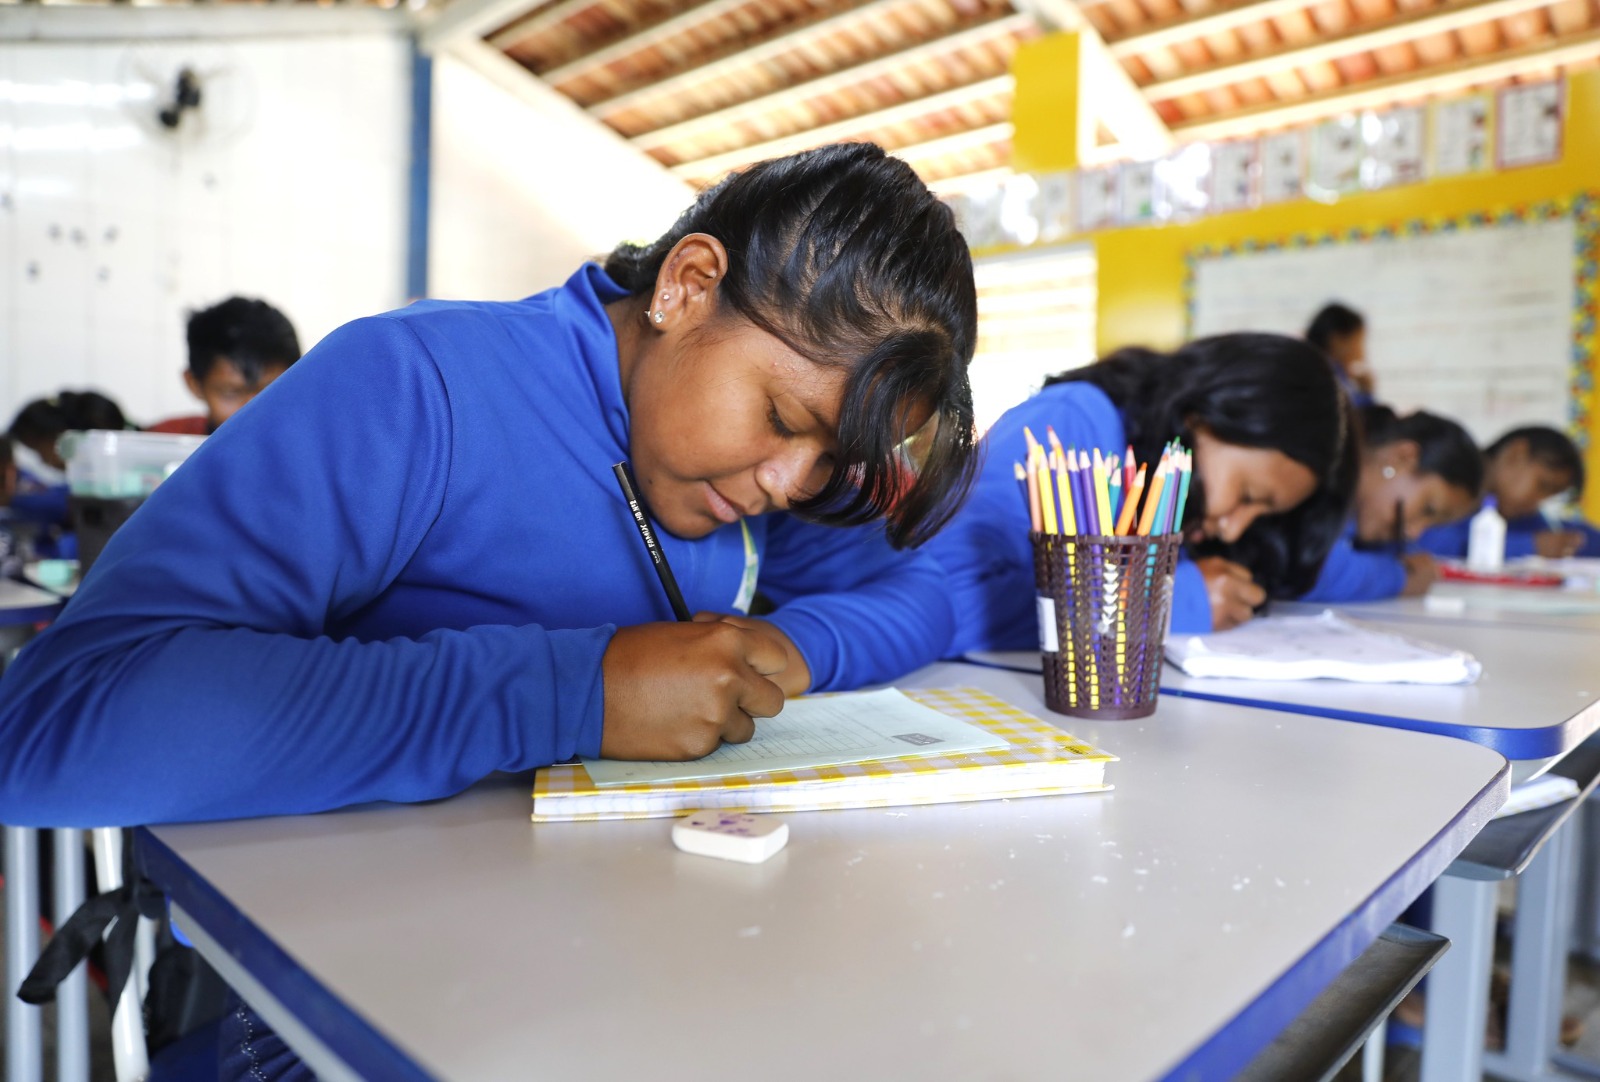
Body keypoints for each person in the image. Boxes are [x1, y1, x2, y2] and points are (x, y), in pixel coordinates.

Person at [0, 141, 979, 830]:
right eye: (782, 418)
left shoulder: (747, 482)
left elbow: (923, 597)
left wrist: (764, 650)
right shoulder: (418, 386)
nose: (786, 482)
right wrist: (570, 692)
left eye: (830, 459)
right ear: (685, 285)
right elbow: (58, 724)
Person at [927, 334, 1358, 652]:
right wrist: (1153, 605)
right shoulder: (1072, 423)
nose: (1232, 529)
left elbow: (1320, 570)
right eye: (1247, 495)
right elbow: (936, 601)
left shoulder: (1184, 509)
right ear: (1202, 418)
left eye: (1261, 515)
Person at [1299, 404, 1481, 601]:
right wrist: (1402, 577)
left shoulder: (1357, 518)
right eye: (1427, 509)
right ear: (1403, 457)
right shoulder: (1321, 472)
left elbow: (1405, 555)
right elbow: (1312, 571)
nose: (1414, 532)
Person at [1418, 424, 1599, 559]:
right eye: (1542, 485)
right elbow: (1428, 542)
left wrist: (1568, 542)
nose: (1539, 501)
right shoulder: (1451, 475)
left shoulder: (1517, 515)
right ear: (1516, 453)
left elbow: (1563, 533)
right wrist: (1530, 546)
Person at [147, 297, 302, 435]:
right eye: (231, 393)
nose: (253, 412)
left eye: (271, 392)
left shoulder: (314, 450)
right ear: (194, 384)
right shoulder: (163, 441)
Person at [1306, 302, 1375, 408]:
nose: (1362, 353)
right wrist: (1366, 394)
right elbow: (1350, 418)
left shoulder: (1309, 366)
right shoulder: (1329, 376)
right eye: (1358, 342)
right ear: (1337, 340)